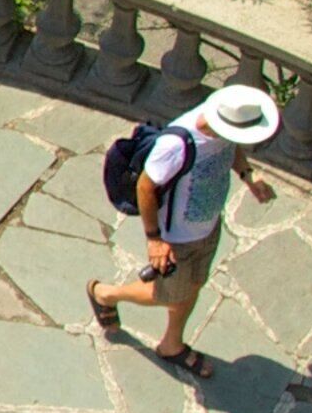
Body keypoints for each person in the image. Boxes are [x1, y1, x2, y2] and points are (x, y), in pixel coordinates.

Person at [88, 84, 280, 377]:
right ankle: (105, 294)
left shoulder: (224, 128)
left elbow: (233, 147)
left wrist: (247, 175)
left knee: (192, 286)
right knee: (170, 294)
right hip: (176, 237)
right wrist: (154, 241)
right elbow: (145, 187)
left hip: (207, 226)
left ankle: (172, 344)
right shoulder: (177, 145)